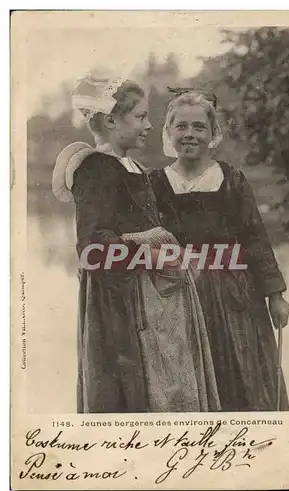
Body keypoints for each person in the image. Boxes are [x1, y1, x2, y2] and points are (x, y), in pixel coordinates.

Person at [52, 71, 220, 413]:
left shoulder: (134, 166)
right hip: (122, 304)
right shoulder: (95, 168)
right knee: (133, 389)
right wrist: (155, 259)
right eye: (140, 116)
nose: (148, 125)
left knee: (169, 387)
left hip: (156, 297)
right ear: (112, 120)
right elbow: (91, 248)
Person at [150, 89, 289, 411]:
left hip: (235, 298)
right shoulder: (154, 183)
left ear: (213, 134)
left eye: (199, 127)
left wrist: (276, 295)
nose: (189, 134)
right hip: (179, 296)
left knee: (241, 381)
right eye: (181, 126)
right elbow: (142, 240)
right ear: (168, 132)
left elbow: (255, 239)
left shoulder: (231, 179)